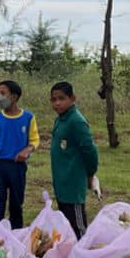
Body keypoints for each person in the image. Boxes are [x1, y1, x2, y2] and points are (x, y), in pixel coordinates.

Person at [0, 79, 39, 229]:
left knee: (16, 206)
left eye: (3, 93)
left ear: (14, 97)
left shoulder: (28, 118)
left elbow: (35, 140)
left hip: (17, 168)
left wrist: (27, 150)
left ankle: (16, 238)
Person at [48, 81, 100, 239]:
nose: (57, 103)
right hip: (61, 182)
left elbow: (90, 151)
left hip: (73, 184)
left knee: (78, 228)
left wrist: (91, 174)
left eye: (61, 98)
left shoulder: (77, 121)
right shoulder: (61, 119)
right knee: (66, 225)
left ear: (73, 98)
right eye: (53, 99)